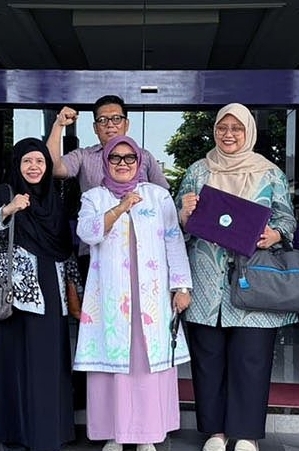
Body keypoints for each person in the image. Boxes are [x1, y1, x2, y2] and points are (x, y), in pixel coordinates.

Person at [176, 103, 297, 451]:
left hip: (253, 281)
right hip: (206, 281)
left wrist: (275, 234)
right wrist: (183, 214)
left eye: (237, 128)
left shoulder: (269, 173)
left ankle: (246, 434)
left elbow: (287, 219)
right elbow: (177, 221)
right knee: (208, 359)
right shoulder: (198, 171)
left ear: (249, 132)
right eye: (222, 128)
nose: (228, 134)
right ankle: (215, 432)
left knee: (251, 359)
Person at [74, 135, 192, 451]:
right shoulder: (94, 197)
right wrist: (120, 207)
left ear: (139, 162)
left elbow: (173, 240)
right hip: (111, 297)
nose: (123, 163)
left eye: (130, 158)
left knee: (146, 366)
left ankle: (147, 436)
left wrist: (181, 286)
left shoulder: (158, 196)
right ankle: (114, 434)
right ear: (106, 162)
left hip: (151, 296)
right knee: (112, 366)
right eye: (115, 158)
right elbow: (87, 233)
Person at [0, 137, 80, 451]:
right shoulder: (3, 193)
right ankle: (14, 433)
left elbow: (66, 251)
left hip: (51, 292)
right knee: (14, 363)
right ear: (17, 165)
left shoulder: (54, 200)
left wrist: (75, 291)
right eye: (27, 161)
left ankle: (48, 432)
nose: (34, 167)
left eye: (40, 161)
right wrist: (8, 209)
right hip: (13, 295)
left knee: (47, 364)